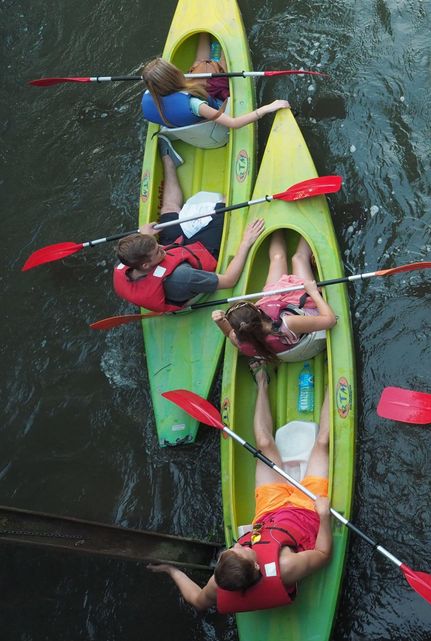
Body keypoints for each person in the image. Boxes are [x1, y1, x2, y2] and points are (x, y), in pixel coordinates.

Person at [147, 366, 333, 612]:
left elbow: (198, 600)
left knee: (265, 444)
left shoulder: (221, 579)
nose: (237, 545)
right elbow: (323, 553)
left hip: (268, 511)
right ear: (257, 567)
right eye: (241, 551)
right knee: (321, 443)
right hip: (306, 509)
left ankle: (262, 382)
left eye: (230, 550)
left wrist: (171, 570)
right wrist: (323, 514)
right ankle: (332, 377)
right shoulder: (286, 566)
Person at [112, 143, 264, 312]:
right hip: (201, 254)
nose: (162, 247)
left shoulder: (128, 262)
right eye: (157, 251)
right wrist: (246, 242)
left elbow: (154, 249)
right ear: (146, 265)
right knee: (223, 207)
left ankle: (169, 162)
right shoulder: (182, 277)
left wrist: (146, 235)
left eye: (156, 244)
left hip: (177, 250)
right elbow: (229, 280)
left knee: (169, 209)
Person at [212, 230, 337, 363]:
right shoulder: (288, 323)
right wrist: (313, 292)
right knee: (298, 258)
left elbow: (228, 333)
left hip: (279, 318)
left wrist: (220, 322)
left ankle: (277, 231)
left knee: (277, 257)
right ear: (259, 310)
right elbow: (330, 321)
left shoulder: (239, 337)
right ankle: (308, 227)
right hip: (302, 327)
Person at [140, 33, 289, 131]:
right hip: (215, 119)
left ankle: (204, 35)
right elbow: (234, 124)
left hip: (187, 127)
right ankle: (222, 46)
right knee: (210, 67)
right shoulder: (195, 105)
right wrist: (268, 108)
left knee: (200, 65)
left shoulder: (149, 93)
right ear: (174, 76)